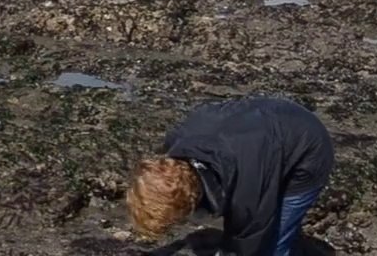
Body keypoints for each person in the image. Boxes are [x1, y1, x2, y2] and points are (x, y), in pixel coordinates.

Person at [126, 96, 334, 256]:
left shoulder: (247, 193)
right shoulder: (177, 142)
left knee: (274, 241)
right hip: (263, 126)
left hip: (308, 150)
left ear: (187, 204)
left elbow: (252, 233)